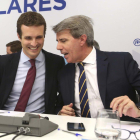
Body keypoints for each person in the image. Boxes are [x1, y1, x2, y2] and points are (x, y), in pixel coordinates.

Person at [52, 15, 140, 121]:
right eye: (58, 41)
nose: (58, 47)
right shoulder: (64, 72)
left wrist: (138, 110)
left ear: (82, 39)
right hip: (78, 133)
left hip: (119, 132)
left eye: (63, 40)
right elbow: (59, 105)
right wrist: (61, 112)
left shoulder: (122, 61)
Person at [0, 11, 65, 114]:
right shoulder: (2, 63)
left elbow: (63, 97)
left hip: (40, 123)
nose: (34, 43)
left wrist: (59, 111)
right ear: (19, 36)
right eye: (28, 38)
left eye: (39, 37)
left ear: (44, 36)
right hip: (5, 122)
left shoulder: (56, 63)